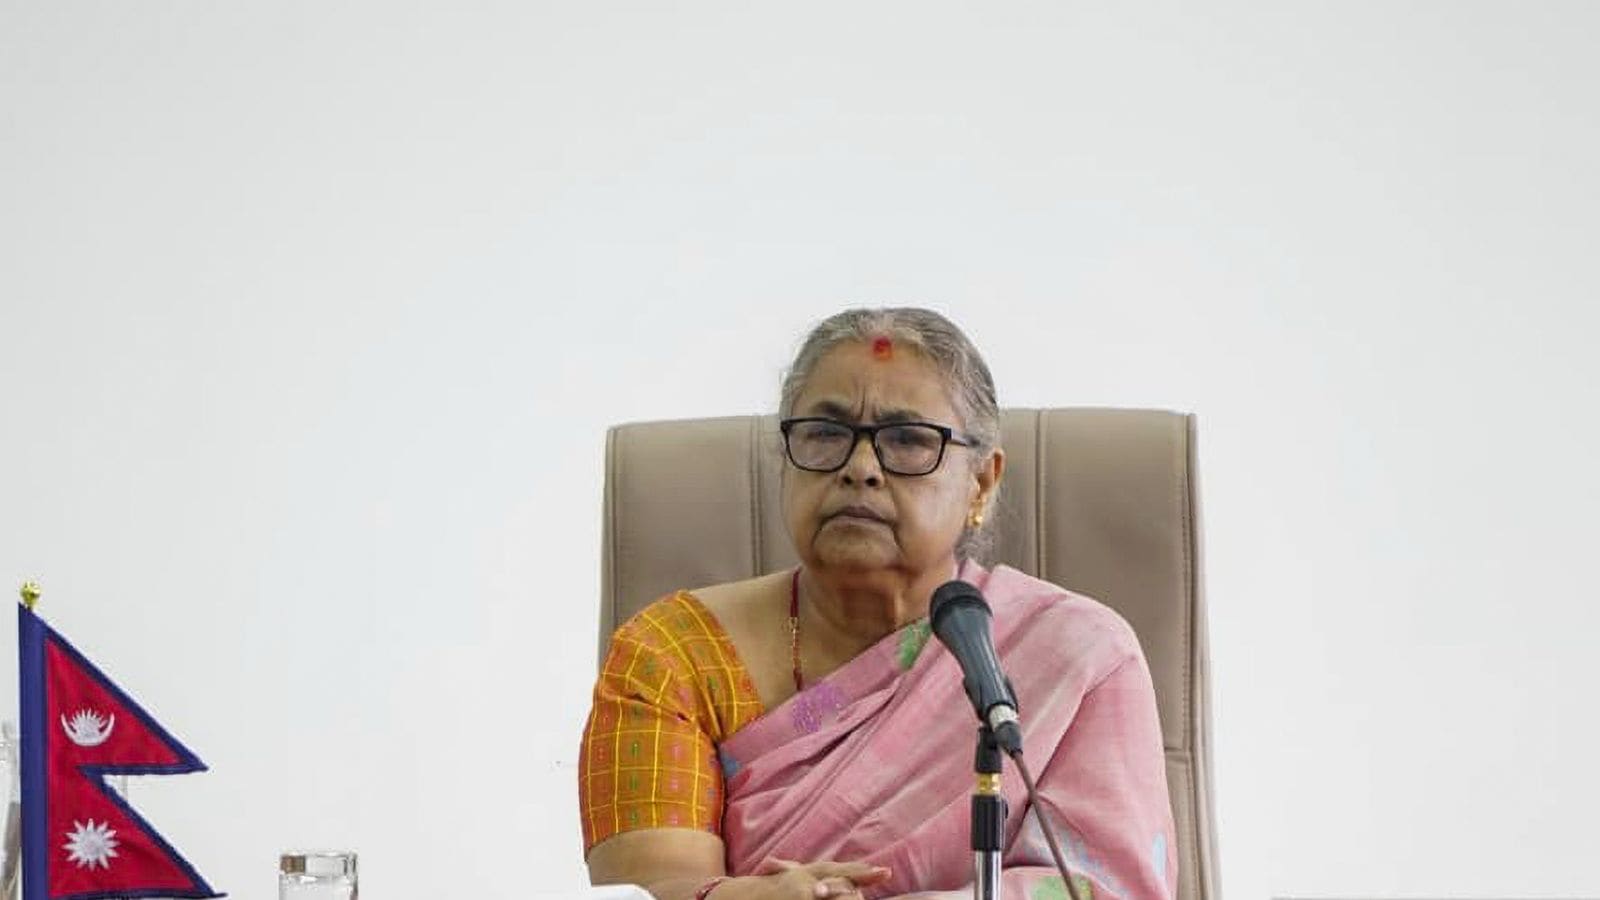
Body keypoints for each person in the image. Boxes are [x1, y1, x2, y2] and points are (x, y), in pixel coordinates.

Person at [579, 308, 1177, 900]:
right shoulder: (675, 655)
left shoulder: (1078, 655)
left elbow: (1103, 891)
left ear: (983, 484)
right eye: (825, 434)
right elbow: (648, 891)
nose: (860, 468)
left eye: (909, 440)